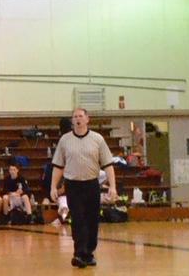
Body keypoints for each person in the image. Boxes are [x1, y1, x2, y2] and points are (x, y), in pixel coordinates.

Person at [51, 108, 117, 269]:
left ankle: (89, 253)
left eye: (81, 116)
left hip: (91, 184)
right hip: (73, 185)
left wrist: (113, 187)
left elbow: (108, 165)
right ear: (72, 121)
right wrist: (53, 186)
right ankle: (79, 253)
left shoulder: (98, 139)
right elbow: (58, 166)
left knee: (92, 220)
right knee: (78, 219)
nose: (78, 119)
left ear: (88, 119)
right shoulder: (65, 140)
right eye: (75, 117)